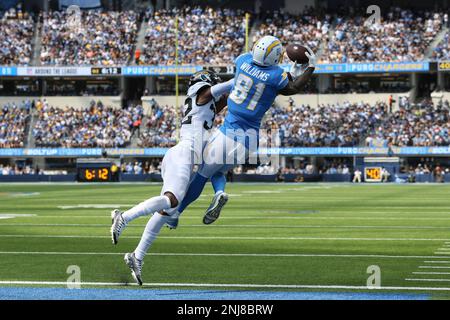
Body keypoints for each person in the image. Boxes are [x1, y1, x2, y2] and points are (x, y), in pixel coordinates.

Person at [172, 35, 316, 223]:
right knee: (218, 172)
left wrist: (289, 72)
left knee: (201, 175)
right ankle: (220, 193)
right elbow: (292, 86)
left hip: (230, 132)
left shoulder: (242, 61)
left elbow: (264, 72)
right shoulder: (276, 76)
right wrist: (309, 67)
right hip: (251, 139)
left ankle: (175, 214)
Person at [110, 70, 233, 285]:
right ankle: (124, 216)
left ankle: (137, 256)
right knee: (172, 200)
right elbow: (223, 89)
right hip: (183, 154)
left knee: (167, 211)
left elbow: (228, 98)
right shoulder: (200, 94)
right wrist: (243, 76)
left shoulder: (208, 104)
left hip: (182, 156)